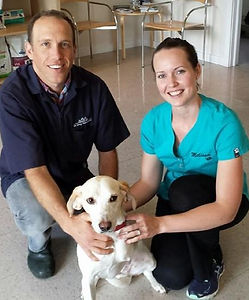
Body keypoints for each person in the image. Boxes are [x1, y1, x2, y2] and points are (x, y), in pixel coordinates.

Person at [0, 10, 130, 279]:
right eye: (45, 44)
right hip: (24, 173)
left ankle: (64, 211)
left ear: (74, 48)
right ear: (29, 50)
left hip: (72, 169)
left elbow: (108, 150)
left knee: (92, 204)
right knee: (37, 216)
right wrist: (70, 224)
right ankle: (39, 245)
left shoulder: (94, 88)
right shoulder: (12, 95)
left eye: (64, 44)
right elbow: (34, 170)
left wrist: (108, 205)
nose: (56, 56)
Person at [119, 37, 249, 299]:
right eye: (162, 75)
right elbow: (149, 182)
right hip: (175, 198)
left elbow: (226, 208)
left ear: (197, 71)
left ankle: (210, 263)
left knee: (185, 191)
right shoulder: (154, 121)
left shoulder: (224, 123)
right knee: (169, 276)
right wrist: (112, 209)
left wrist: (159, 225)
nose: (171, 84)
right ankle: (196, 236)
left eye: (180, 71)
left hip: (222, 200)